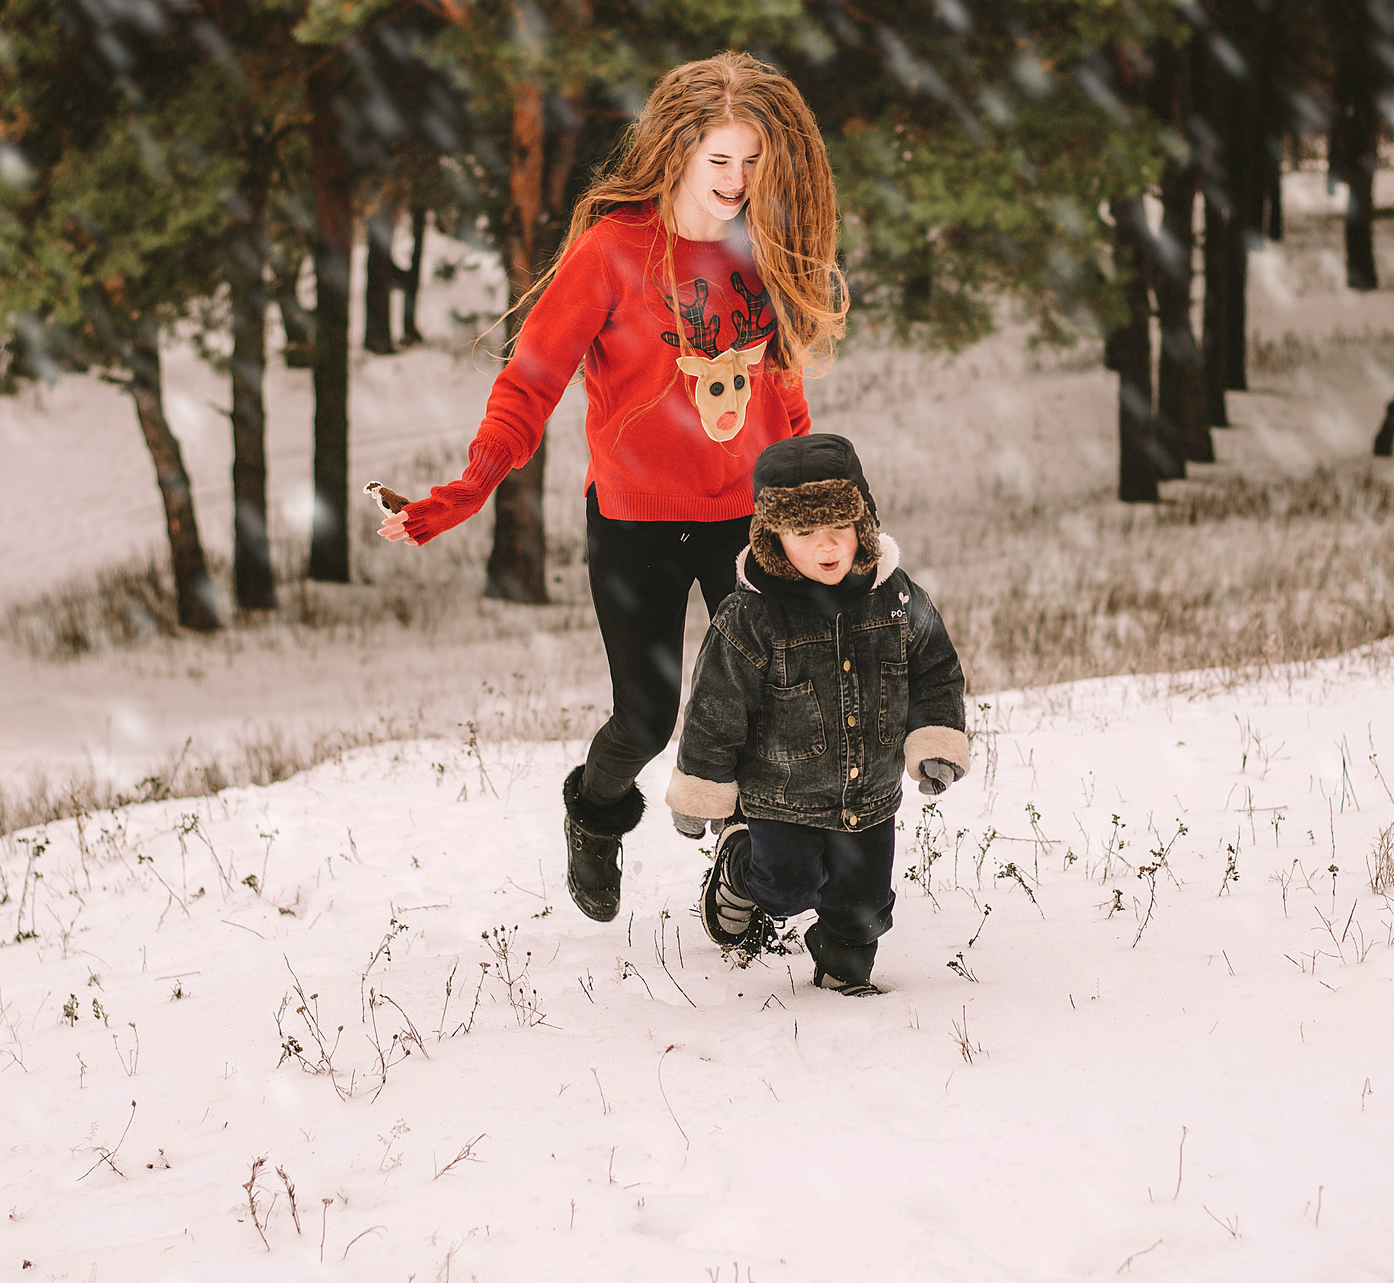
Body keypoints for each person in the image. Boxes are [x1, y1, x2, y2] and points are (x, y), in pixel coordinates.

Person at [376, 52, 845, 923]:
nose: (738, 182)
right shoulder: (612, 251)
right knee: (646, 720)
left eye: (751, 162)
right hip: (634, 524)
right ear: (676, 151)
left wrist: (809, 505)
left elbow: (782, 392)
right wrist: (466, 490)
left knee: (773, 703)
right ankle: (593, 814)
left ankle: (747, 873)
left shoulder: (763, 247)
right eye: (719, 162)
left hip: (746, 519)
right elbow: (530, 385)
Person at [668, 434, 969, 996]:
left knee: (864, 903)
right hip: (779, 796)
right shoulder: (749, 618)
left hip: (871, 795)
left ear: (865, 525)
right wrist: (704, 789)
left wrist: (934, 741)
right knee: (785, 889)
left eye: (839, 528)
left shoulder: (897, 598)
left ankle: (842, 971)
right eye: (803, 533)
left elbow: (936, 670)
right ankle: (738, 865)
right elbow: (715, 709)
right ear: (774, 539)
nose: (826, 546)